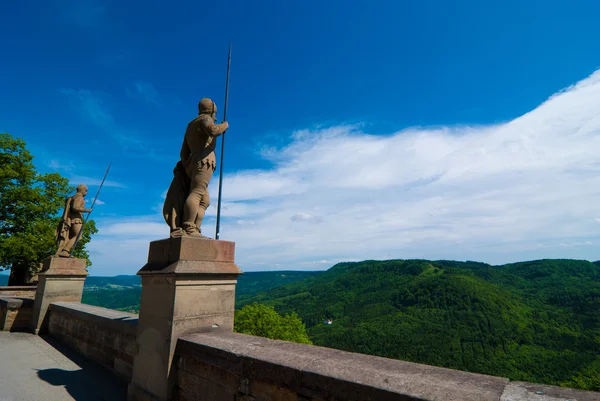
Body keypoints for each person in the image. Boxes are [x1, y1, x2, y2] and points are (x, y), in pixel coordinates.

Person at [178, 98, 228, 237]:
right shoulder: (205, 119)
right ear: (211, 111)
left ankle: (195, 228)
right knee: (197, 193)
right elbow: (213, 130)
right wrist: (224, 126)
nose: (215, 118)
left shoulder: (190, 125)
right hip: (204, 160)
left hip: (194, 161)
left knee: (204, 200)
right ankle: (189, 226)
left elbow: (183, 152)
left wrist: (187, 164)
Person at [54, 184, 92, 257]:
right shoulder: (79, 197)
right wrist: (87, 210)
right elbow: (75, 207)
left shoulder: (73, 197)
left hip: (71, 219)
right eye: (86, 191)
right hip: (76, 220)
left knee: (71, 235)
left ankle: (64, 251)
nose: (86, 193)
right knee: (78, 236)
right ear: (82, 190)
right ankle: (65, 250)